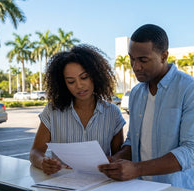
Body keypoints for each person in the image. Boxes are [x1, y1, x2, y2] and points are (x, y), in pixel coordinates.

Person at [98, 24, 194, 191]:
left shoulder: (191, 90)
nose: (135, 66)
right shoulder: (136, 93)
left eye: (143, 60)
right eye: (132, 58)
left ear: (164, 56)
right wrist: (116, 160)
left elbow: (192, 151)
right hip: (140, 190)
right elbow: (133, 141)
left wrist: (137, 169)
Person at [30, 44, 125, 175]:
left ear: (95, 76)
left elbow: (119, 153)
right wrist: (43, 162)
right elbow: (35, 151)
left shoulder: (112, 113)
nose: (79, 86)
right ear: (63, 84)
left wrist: (114, 160)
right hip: (62, 186)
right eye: (71, 81)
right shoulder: (53, 111)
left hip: (100, 185)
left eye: (84, 77)